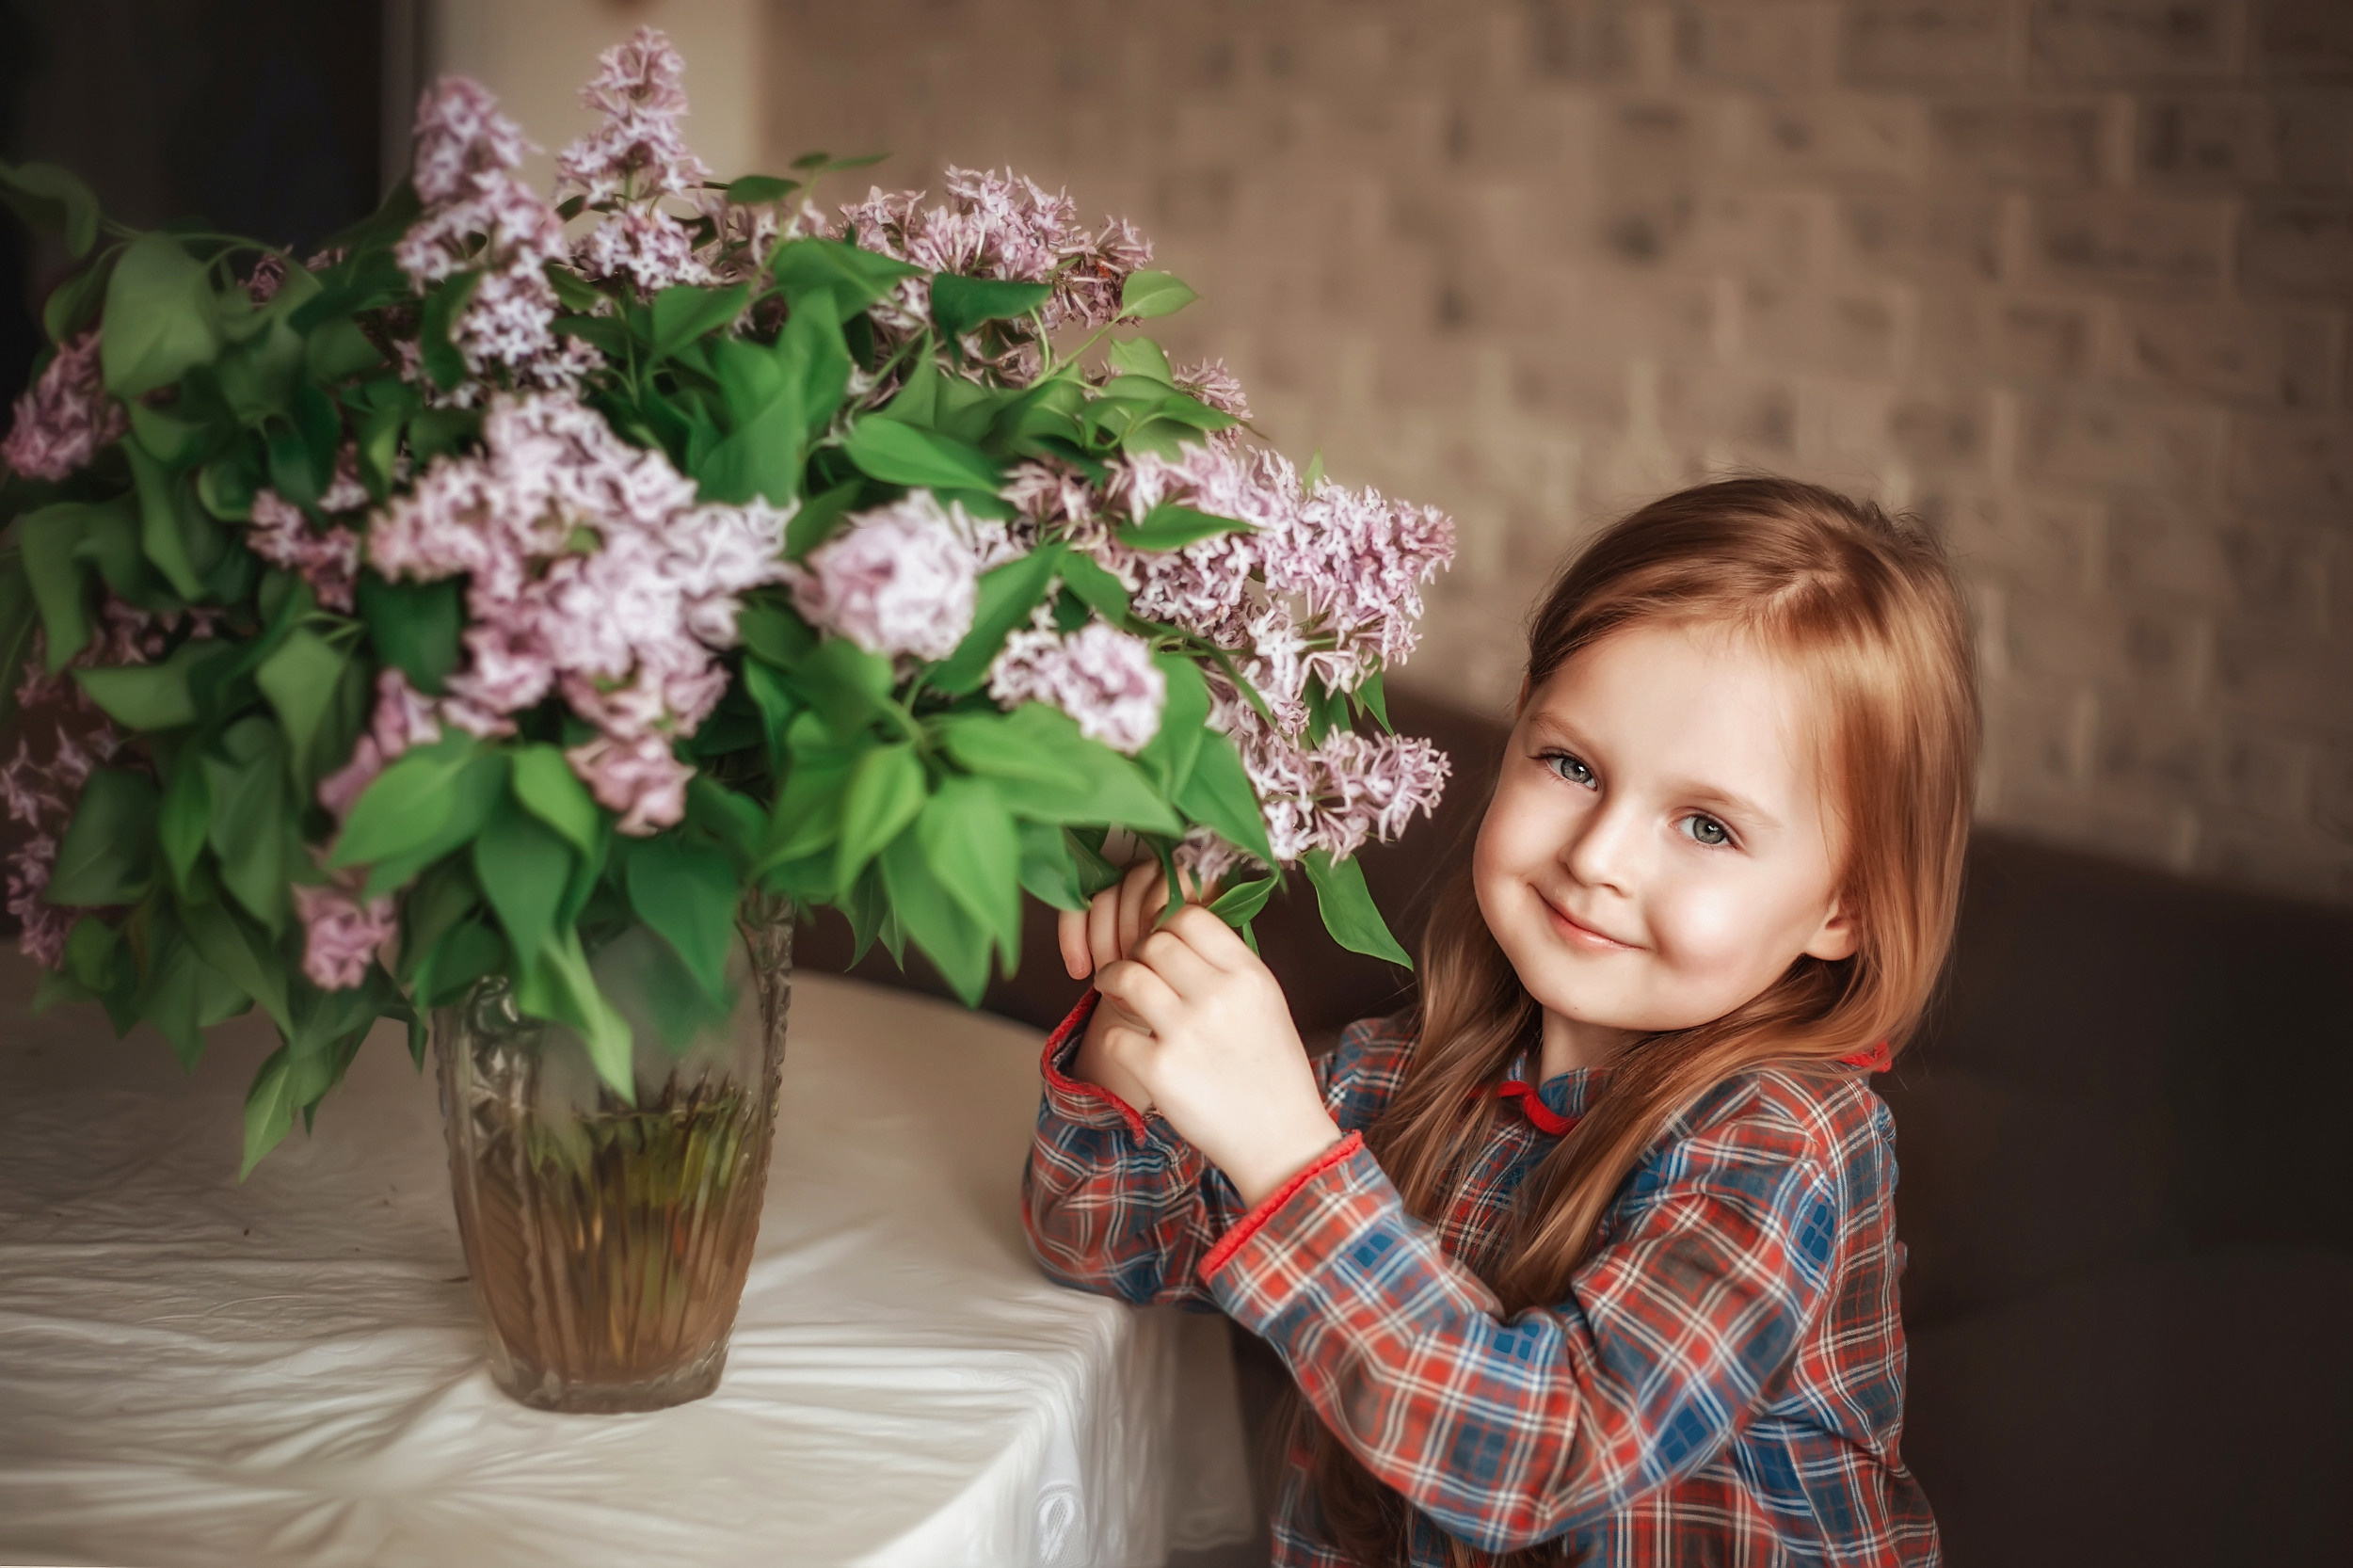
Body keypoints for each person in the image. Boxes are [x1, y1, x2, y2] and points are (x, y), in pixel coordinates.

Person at [1022, 477, 1969, 1566]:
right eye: (1569, 764)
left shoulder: (1785, 1141)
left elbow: (1543, 1458)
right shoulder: (1393, 1076)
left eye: (1705, 825)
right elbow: (1098, 1240)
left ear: (1844, 903)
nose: (1598, 856)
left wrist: (1289, 1158)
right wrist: (1135, 1010)